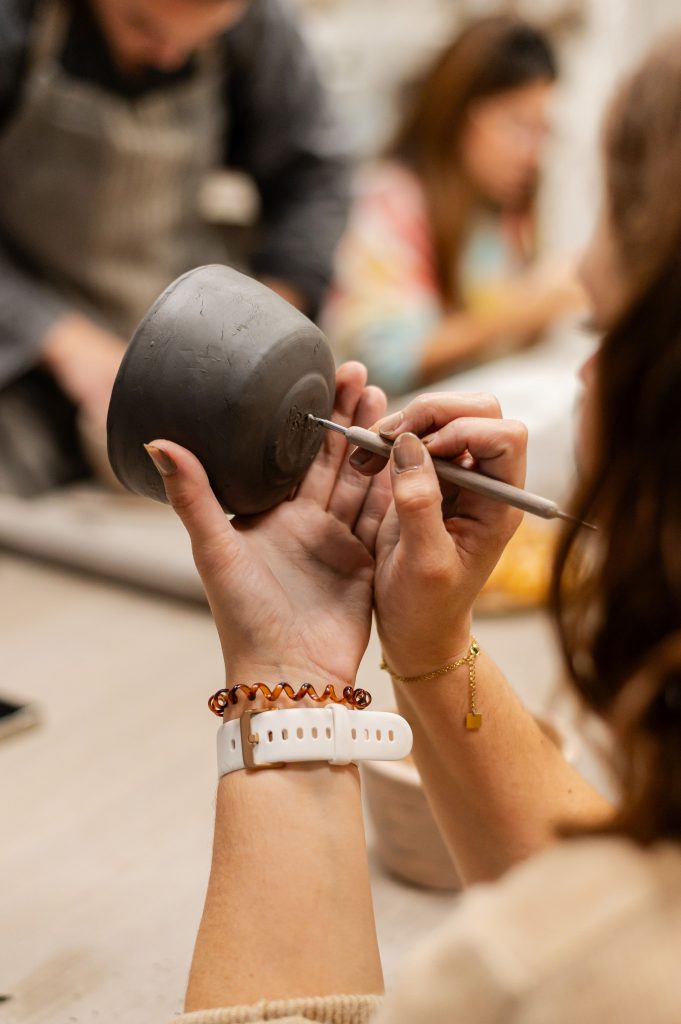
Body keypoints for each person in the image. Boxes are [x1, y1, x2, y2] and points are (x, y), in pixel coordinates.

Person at [145, 27, 681, 1024]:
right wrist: (429, 640)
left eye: (605, 329)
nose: (583, 379)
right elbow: (605, 880)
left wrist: (290, 684)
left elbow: (585, 943)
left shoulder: (563, 977)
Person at [0, 0, 348, 495]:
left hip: (186, 336)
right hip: (21, 352)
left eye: (198, 38)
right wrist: (56, 335)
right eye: (141, 26)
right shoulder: (18, 22)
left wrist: (270, 321)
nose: (169, 57)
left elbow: (313, 178)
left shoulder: (258, 27)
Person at [323, 16, 585, 396]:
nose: (532, 153)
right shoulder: (390, 202)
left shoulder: (502, 213)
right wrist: (526, 307)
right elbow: (384, 361)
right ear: (460, 113)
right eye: (518, 125)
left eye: (542, 131)